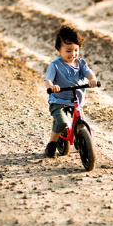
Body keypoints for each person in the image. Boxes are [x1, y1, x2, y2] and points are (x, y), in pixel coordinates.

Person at [44, 25, 98, 158]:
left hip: (76, 101)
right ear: (59, 50)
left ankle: (84, 144)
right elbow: (48, 80)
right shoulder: (55, 65)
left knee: (82, 124)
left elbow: (89, 74)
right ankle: (52, 143)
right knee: (62, 122)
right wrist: (52, 87)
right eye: (68, 51)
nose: (72, 54)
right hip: (59, 100)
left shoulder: (80, 63)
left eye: (75, 50)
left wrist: (92, 80)